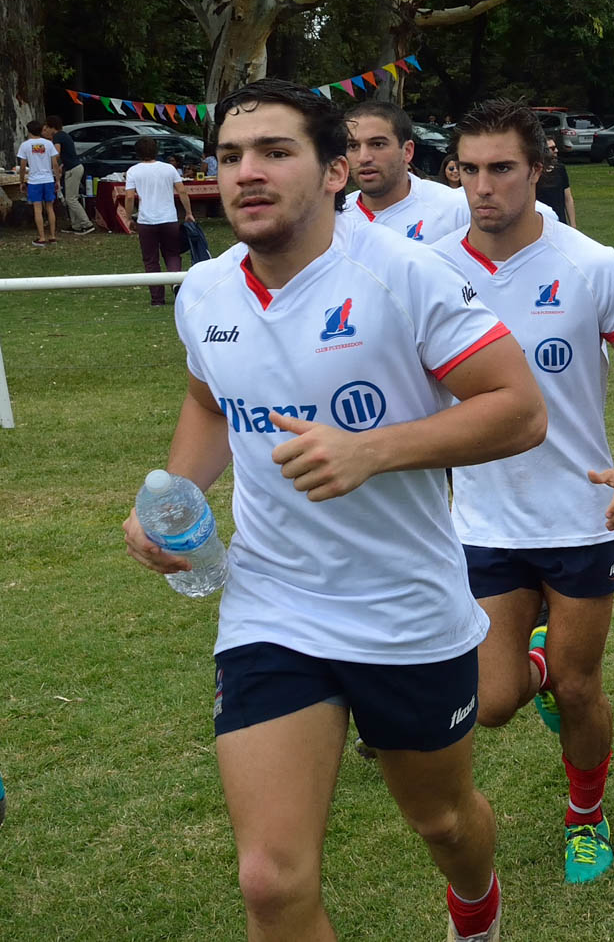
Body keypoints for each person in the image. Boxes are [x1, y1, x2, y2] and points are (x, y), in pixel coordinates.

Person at [120, 78, 547, 942]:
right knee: (270, 882)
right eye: (232, 156)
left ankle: (476, 907)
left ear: (335, 172)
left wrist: (373, 448)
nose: (247, 172)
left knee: (445, 823)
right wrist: (176, 497)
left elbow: (518, 408)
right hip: (270, 604)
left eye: (276, 152)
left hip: (405, 611)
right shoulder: (205, 293)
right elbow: (209, 403)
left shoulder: (402, 275)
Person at [439, 98, 614, 886]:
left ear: (538, 168)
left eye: (501, 167)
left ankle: (586, 814)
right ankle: (533, 659)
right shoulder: (430, 269)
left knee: (578, 687)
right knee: (495, 699)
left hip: (581, 515)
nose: (483, 187)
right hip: (482, 519)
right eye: (468, 170)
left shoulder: (590, 265)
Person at [341, 99, 469, 243]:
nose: (363, 158)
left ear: (407, 151)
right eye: (352, 146)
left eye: (377, 144)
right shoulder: (336, 217)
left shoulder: (456, 210)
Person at [123, 136, 196, 303]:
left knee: (150, 259)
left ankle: (157, 297)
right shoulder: (169, 169)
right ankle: (176, 282)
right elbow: (182, 191)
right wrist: (188, 212)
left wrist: (128, 217)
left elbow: (129, 197)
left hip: (146, 220)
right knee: (172, 254)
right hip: (169, 218)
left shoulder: (133, 171)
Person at [45, 117, 96, 234]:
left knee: (71, 199)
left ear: (52, 127)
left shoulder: (57, 136)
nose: (46, 130)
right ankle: (76, 225)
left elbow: (56, 154)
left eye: (47, 127)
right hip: (73, 167)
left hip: (73, 169)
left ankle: (86, 223)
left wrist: (46, 161)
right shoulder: (64, 135)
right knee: (71, 197)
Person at [19, 122, 61, 247]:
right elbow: (55, 164)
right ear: (41, 130)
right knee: (50, 208)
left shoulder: (25, 145)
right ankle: (53, 236)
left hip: (34, 181)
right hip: (48, 179)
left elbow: (22, 165)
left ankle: (41, 237)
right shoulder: (48, 144)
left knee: (38, 209)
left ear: (29, 131)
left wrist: (22, 181)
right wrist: (57, 180)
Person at [533, 136, 577, 227]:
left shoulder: (560, 169)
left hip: (560, 223)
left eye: (555, 147)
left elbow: (568, 198)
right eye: (552, 148)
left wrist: (573, 225)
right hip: (541, 223)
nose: (556, 150)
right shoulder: (535, 172)